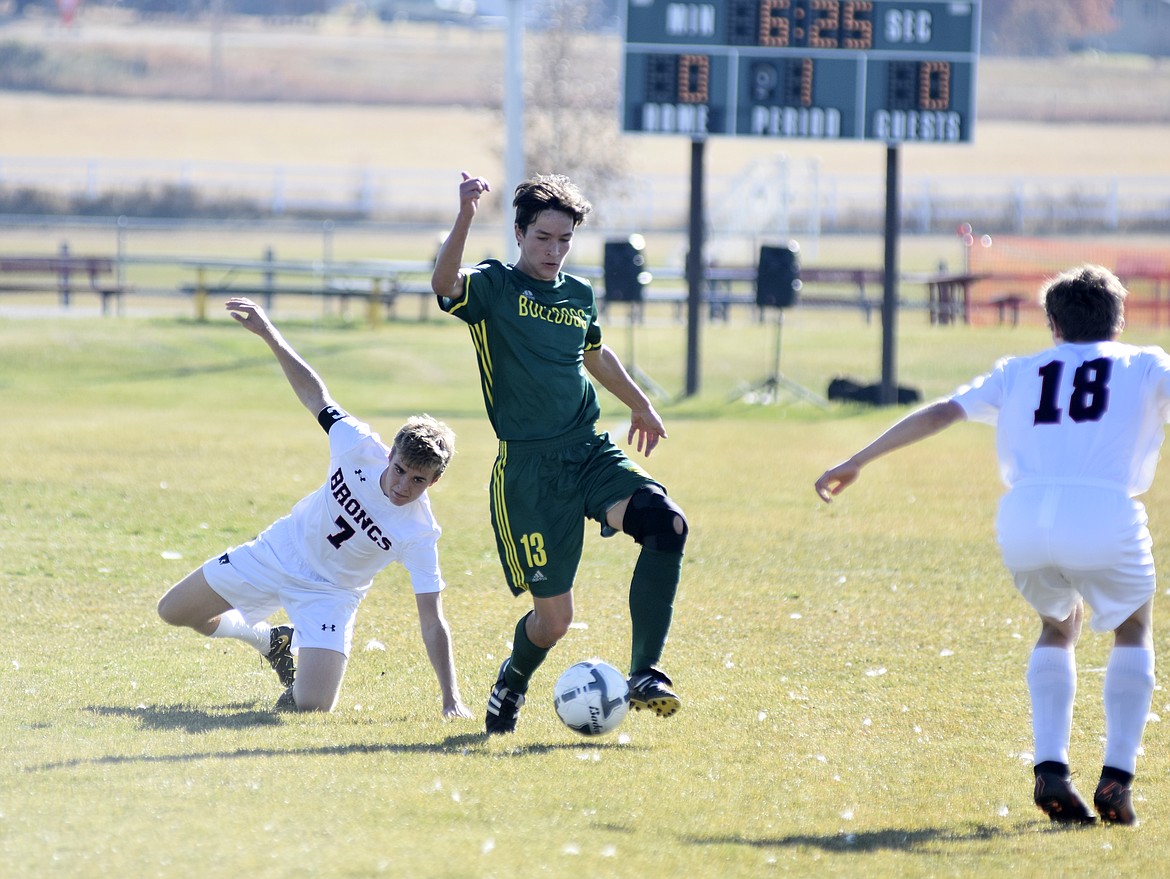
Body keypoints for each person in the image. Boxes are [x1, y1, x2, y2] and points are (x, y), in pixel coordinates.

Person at [814, 265, 1166, 826]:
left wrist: (858, 459)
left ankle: (1051, 766)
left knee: (1058, 628)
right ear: (1119, 320)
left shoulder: (1018, 370)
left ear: (1052, 323)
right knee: (1132, 629)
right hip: (1104, 510)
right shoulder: (1147, 362)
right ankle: (1117, 779)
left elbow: (941, 413)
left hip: (1024, 516)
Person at [430, 171, 689, 735]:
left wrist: (641, 405)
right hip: (529, 472)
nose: (554, 251)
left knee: (665, 523)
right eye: (543, 238)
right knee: (554, 622)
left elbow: (594, 353)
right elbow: (443, 283)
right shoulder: (494, 287)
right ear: (520, 233)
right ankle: (514, 679)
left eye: (564, 240)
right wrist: (466, 215)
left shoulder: (577, 295)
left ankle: (645, 673)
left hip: (589, 448)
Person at [157, 297, 472, 719]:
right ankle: (270, 641)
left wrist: (451, 699)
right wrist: (269, 332)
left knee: (312, 705)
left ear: (435, 480)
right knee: (175, 612)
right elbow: (314, 394)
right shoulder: (357, 445)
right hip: (278, 552)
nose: (402, 486)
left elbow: (432, 620)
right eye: (399, 470)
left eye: (418, 480)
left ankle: (293, 651)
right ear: (389, 454)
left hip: (330, 595)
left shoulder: (419, 532)